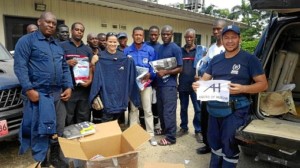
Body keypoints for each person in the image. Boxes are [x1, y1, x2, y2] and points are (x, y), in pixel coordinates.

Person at [192, 25, 268, 167]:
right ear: (222, 39)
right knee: (214, 140)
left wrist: (242, 88)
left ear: (240, 39)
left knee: (229, 143)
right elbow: (205, 79)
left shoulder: (250, 59)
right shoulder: (216, 59)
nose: (230, 41)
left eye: (233, 37)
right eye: (226, 37)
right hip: (215, 107)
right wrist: (198, 85)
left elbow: (263, 85)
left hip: (236, 109)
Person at [14, 12, 73, 167]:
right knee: (41, 129)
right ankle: (42, 160)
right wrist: (28, 89)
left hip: (57, 94)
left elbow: (64, 67)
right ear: (39, 22)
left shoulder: (56, 45)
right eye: (47, 22)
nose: (51, 25)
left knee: (58, 127)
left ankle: (55, 156)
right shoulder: (26, 41)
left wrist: (68, 86)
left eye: (54, 23)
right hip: (39, 94)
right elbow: (20, 67)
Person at [90, 32, 140, 122]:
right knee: (106, 119)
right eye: (110, 42)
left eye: (114, 42)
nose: (112, 44)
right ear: (106, 42)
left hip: (120, 96)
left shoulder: (124, 57)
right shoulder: (100, 57)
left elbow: (131, 78)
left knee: (117, 120)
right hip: (106, 95)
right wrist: (93, 63)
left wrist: (133, 96)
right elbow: (96, 76)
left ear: (117, 42)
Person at [196, 19, 227, 155]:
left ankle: (221, 146)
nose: (215, 31)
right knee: (205, 117)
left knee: (220, 119)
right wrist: (200, 77)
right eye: (214, 29)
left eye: (219, 29)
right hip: (209, 89)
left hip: (222, 90)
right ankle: (208, 144)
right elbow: (206, 65)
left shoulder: (229, 48)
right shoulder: (212, 48)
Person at [124, 26, 157, 146]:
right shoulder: (127, 51)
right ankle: (133, 135)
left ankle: (150, 135)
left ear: (143, 36)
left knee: (148, 110)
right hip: (133, 86)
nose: (138, 36)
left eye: (140, 35)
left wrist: (150, 74)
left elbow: (154, 67)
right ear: (132, 36)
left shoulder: (150, 50)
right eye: (136, 34)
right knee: (133, 110)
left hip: (145, 85)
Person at [60, 22, 93, 126]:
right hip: (69, 89)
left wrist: (90, 80)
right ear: (72, 31)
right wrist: (67, 63)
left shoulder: (87, 49)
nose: (79, 32)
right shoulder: (62, 46)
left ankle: (82, 140)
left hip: (84, 89)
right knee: (68, 117)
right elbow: (55, 63)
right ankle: (69, 141)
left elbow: (91, 66)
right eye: (77, 29)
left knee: (83, 117)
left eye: (81, 31)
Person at [156, 25, 183, 146]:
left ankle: (171, 137)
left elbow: (181, 68)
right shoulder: (160, 48)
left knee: (169, 111)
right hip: (160, 84)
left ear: (172, 34)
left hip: (170, 86)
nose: (165, 36)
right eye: (163, 34)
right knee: (161, 110)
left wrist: (166, 72)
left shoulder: (176, 48)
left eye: (168, 34)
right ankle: (164, 129)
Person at [177, 28, 202, 143]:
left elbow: (204, 66)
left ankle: (198, 130)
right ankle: (184, 127)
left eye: (191, 37)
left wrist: (200, 76)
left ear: (194, 38)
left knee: (198, 109)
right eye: (187, 37)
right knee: (183, 108)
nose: (188, 39)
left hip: (195, 86)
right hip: (182, 84)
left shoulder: (199, 51)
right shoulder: (180, 51)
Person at [146, 25, 161, 133]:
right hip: (145, 82)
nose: (153, 36)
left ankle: (156, 124)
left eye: (155, 34)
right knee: (145, 105)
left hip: (157, 82)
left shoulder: (161, 47)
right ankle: (143, 124)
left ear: (158, 35)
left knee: (155, 103)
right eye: (151, 34)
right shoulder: (144, 45)